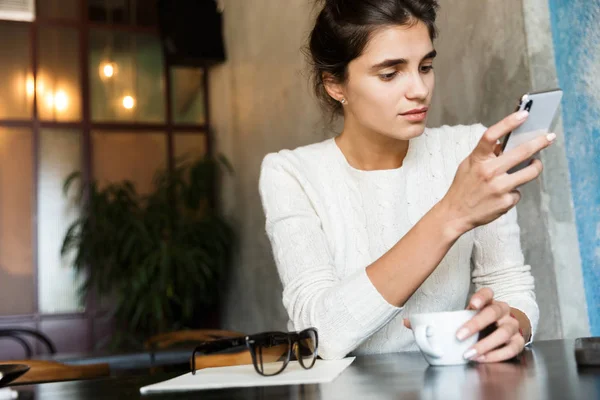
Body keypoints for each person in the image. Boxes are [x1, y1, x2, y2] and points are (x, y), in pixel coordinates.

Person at [259, 0, 553, 362]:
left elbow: (510, 285)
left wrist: (513, 325)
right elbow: (321, 335)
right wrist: (451, 214)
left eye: (426, 66)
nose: (419, 89)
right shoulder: (290, 173)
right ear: (336, 85)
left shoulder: (468, 150)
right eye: (389, 74)